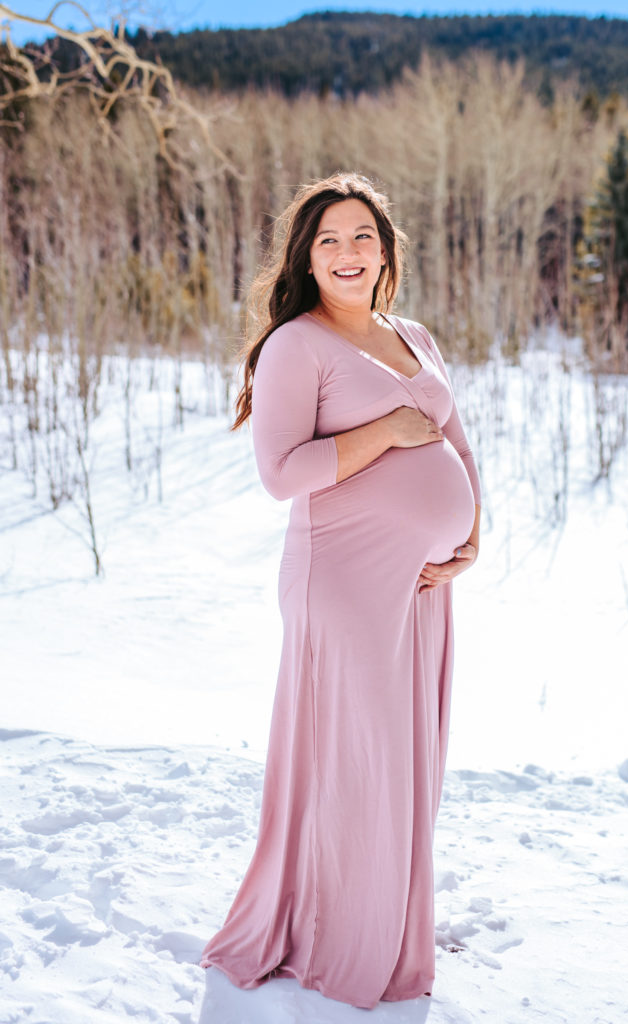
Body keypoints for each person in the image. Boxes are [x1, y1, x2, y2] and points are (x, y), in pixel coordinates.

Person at [200, 172, 482, 1010]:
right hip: (343, 581)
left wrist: (472, 536)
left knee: (408, 759)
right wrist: (385, 431)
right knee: (356, 765)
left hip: (424, 584)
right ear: (307, 257)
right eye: (329, 240)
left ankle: (392, 916)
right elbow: (282, 475)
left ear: (385, 251)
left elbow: (459, 444)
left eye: (363, 236)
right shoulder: (298, 345)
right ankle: (340, 936)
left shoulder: (415, 335)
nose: (348, 253)